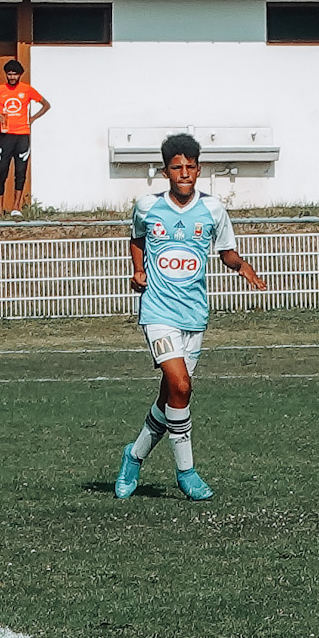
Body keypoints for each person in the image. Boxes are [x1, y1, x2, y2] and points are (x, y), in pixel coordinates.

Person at [113, 134, 266, 502]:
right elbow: (137, 239)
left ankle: (133, 457)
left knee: (170, 397)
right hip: (158, 312)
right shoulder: (147, 206)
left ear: (199, 169)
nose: (184, 173)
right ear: (165, 171)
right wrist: (138, 271)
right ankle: (187, 472)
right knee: (181, 386)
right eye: (177, 167)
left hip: (194, 315)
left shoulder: (213, 210)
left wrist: (243, 268)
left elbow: (226, 251)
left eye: (190, 167)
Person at [0, 59, 49, 217]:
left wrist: (33, 118)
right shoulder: (0, 90)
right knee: (1, 170)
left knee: (20, 171)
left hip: (22, 136)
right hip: (5, 135)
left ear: (20, 75)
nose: (12, 77)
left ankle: (16, 207)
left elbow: (46, 104)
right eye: (9, 74)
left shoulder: (27, 90)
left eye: (15, 74)